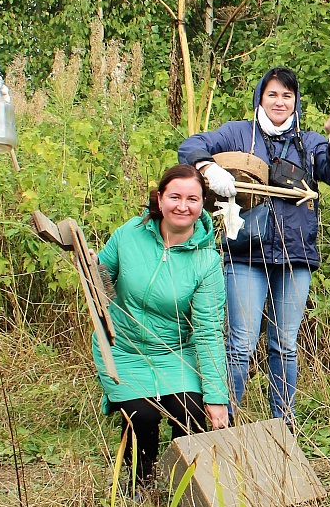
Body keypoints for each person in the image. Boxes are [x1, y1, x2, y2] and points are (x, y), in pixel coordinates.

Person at [177, 68, 330, 425]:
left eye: (287, 96)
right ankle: (223, 426)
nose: (279, 102)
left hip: (295, 256)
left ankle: (283, 428)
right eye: (273, 94)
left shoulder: (309, 141)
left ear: (295, 101)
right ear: (261, 96)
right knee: (240, 345)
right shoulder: (238, 133)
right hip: (245, 254)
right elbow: (191, 145)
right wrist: (209, 168)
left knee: (285, 345)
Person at [96, 164, 230, 490]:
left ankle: (184, 490)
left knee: (192, 410)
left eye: (192, 199)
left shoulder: (207, 261)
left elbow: (209, 330)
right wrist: (91, 266)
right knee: (143, 416)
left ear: (203, 205)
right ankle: (140, 484)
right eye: (175, 196)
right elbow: (100, 278)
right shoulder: (129, 234)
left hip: (175, 353)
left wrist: (216, 396)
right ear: (159, 198)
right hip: (125, 351)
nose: (183, 206)